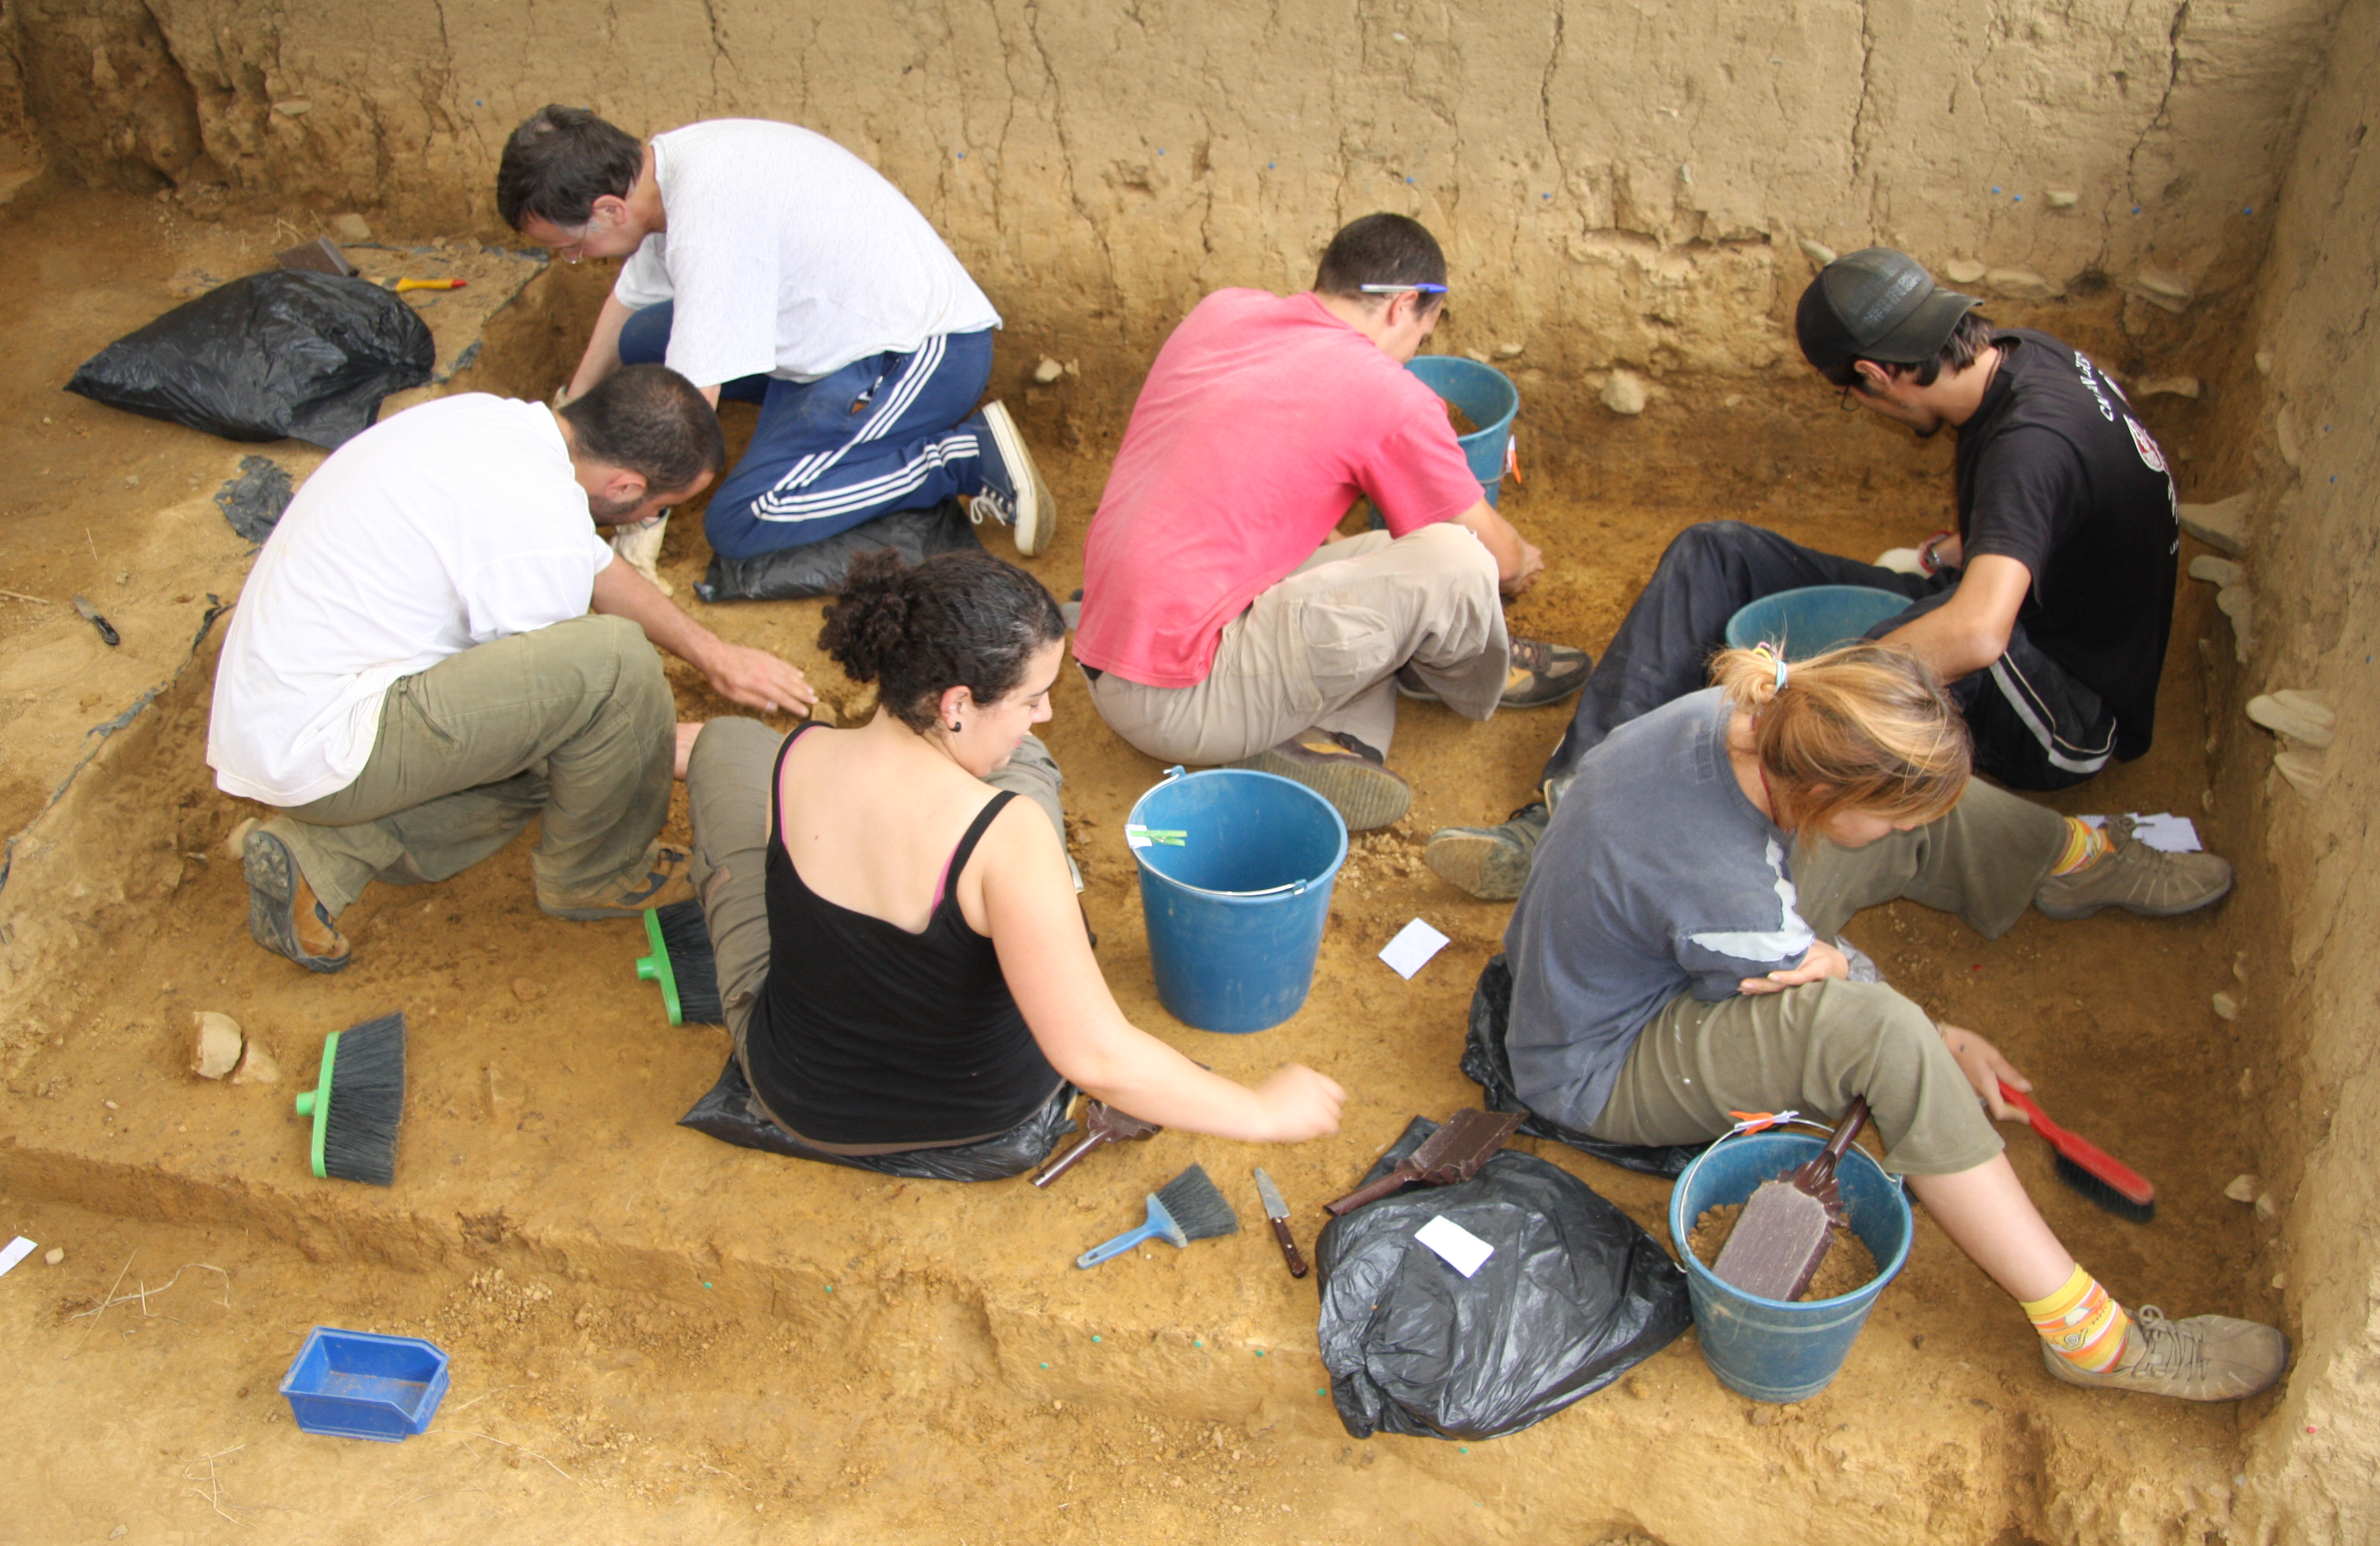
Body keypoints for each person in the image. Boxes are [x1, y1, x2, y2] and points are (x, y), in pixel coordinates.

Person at [1500, 641, 2284, 1402]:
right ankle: (2089, 1340)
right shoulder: (1728, 894)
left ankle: (2070, 861)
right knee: (1882, 1034)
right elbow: (1814, 990)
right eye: (1888, 824)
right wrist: (1937, 1040)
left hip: (1650, 945)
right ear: (1822, 803)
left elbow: (1829, 855)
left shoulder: (1767, 719)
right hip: (1600, 1056)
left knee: (1914, 774)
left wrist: (1876, 917)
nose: (1905, 834)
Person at [1428, 246, 2193, 897]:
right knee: (1717, 552)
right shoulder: (2022, 360)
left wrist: (1823, 682)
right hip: (2026, 614)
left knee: (1827, 685)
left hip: (2062, 709)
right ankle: (1567, 811)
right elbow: (2043, 517)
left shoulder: (2026, 445)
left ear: (1874, 373)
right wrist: (1940, 557)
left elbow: (1979, 631)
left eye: (1848, 396)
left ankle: (1655, 834)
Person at [681, 549, 1347, 1172]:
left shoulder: (799, 756)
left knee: (730, 744)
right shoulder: (1009, 839)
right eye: (1032, 698)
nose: (1048, 711)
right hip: (979, 1105)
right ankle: (1028, 915)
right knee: (1023, 770)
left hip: (800, 1093)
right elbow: (1097, 1059)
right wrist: (1261, 1111)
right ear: (957, 704)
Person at [208, 365, 815, 974]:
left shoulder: (497, 424)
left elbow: (593, 563)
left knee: (583, 763)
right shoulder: (537, 514)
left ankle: (321, 859)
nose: (650, 519)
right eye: (661, 507)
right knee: (612, 674)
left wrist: (713, 654)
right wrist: (652, 746)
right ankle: (600, 875)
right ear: (628, 486)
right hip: (331, 742)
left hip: (280, 716)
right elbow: (579, 699)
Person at [1071, 213, 1587, 832]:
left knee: (1378, 552)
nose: (1412, 352)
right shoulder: (1382, 391)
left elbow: (1245, 470)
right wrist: (1521, 557)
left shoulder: (1224, 311)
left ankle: (1329, 743)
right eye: (1423, 334)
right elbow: (1498, 561)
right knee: (1457, 561)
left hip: (1115, 648)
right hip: (1179, 695)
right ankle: (1460, 668)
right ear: (1402, 307)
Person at [495, 106, 1055, 569]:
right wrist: (566, 413)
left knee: (743, 519)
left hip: (918, 355)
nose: (573, 259)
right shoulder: (664, 170)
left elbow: (681, 426)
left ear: (609, 210)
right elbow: (630, 302)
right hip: (826, 334)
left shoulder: (707, 227)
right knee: (644, 337)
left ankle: (958, 458)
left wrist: (639, 521)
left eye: (570, 247)